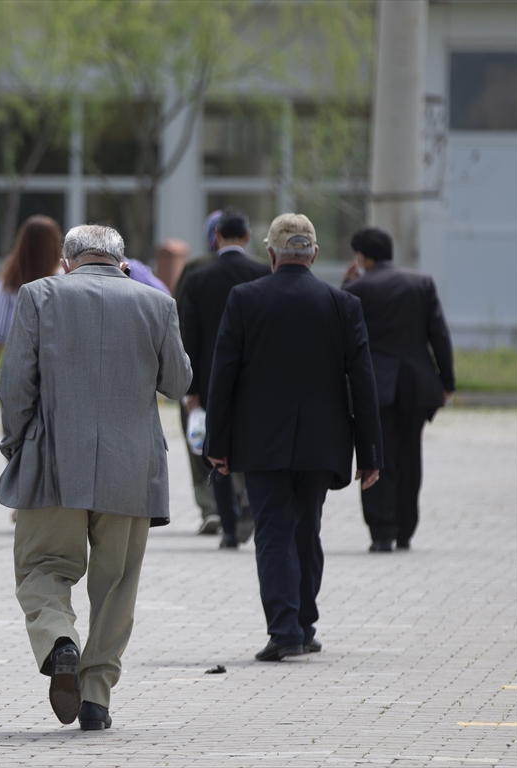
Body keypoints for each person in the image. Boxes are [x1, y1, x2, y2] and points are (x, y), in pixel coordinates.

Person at [0, 225, 192, 730]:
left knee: (42, 567)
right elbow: (178, 381)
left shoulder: (38, 295)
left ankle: (60, 641)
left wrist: (15, 445)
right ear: (121, 261)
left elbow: (15, 382)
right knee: (117, 584)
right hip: (132, 469)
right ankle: (97, 696)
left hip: (53, 460)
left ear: (68, 261)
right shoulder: (156, 304)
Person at [206, 213, 382, 662]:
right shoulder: (342, 304)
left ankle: (285, 629)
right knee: (308, 530)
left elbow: (222, 376)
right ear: (315, 254)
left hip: (261, 441)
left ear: (270, 253)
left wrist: (217, 446)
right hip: (324, 442)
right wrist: (371, 453)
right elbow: (362, 382)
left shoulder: (244, 299)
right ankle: (303, 624)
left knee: (273, 531)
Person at [342, 227, 455, 552]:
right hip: (416, 386)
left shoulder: (358, 288)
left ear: (362, 257)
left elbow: (342, 332)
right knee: (409, 457)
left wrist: (347, 285)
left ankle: (382, 531)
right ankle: (406, 529)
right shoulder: (421, 282)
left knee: (376, 456)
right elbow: (439, 335)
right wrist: (446, 381)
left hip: (375, 388)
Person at [179, 207, 270, 548]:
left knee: (215, 449)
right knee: (255, 444)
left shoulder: (198, 278)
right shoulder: (263, 273)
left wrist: (191, 388)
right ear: (247, 236)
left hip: (211, 377)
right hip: (254, 376)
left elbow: (190, 334)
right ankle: (249, 507)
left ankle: (229, 527)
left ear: (216, 237)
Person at [174, 211, 224, 534]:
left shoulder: (194, 268)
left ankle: (209, 507)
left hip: (200, 373)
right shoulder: (258, 270)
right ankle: (233, 501)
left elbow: (178, 320)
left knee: (198, 441)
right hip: (242, 376)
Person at [0, 215, 63, 386]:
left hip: (19, 374)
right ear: (55, 244)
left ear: (22, 244)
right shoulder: (65, 281)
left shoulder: (10, 281)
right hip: (57, 374)